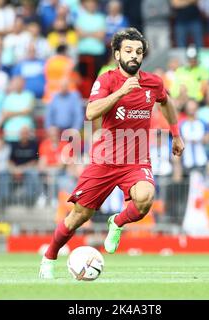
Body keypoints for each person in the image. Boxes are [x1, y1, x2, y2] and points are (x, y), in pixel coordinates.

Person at [39, 28, 184, 279]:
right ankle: (49, 257)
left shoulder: (153, 82)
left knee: (146, 198)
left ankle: (117, 223)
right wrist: (121, 92)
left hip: (136, 160)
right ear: (117, 54)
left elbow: (166, 101)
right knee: (78, 217)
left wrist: (176, 133)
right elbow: (90, 111)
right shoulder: (106, 80)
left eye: (138, 52)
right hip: (104, 160)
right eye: (128, 51)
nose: (134, 56)